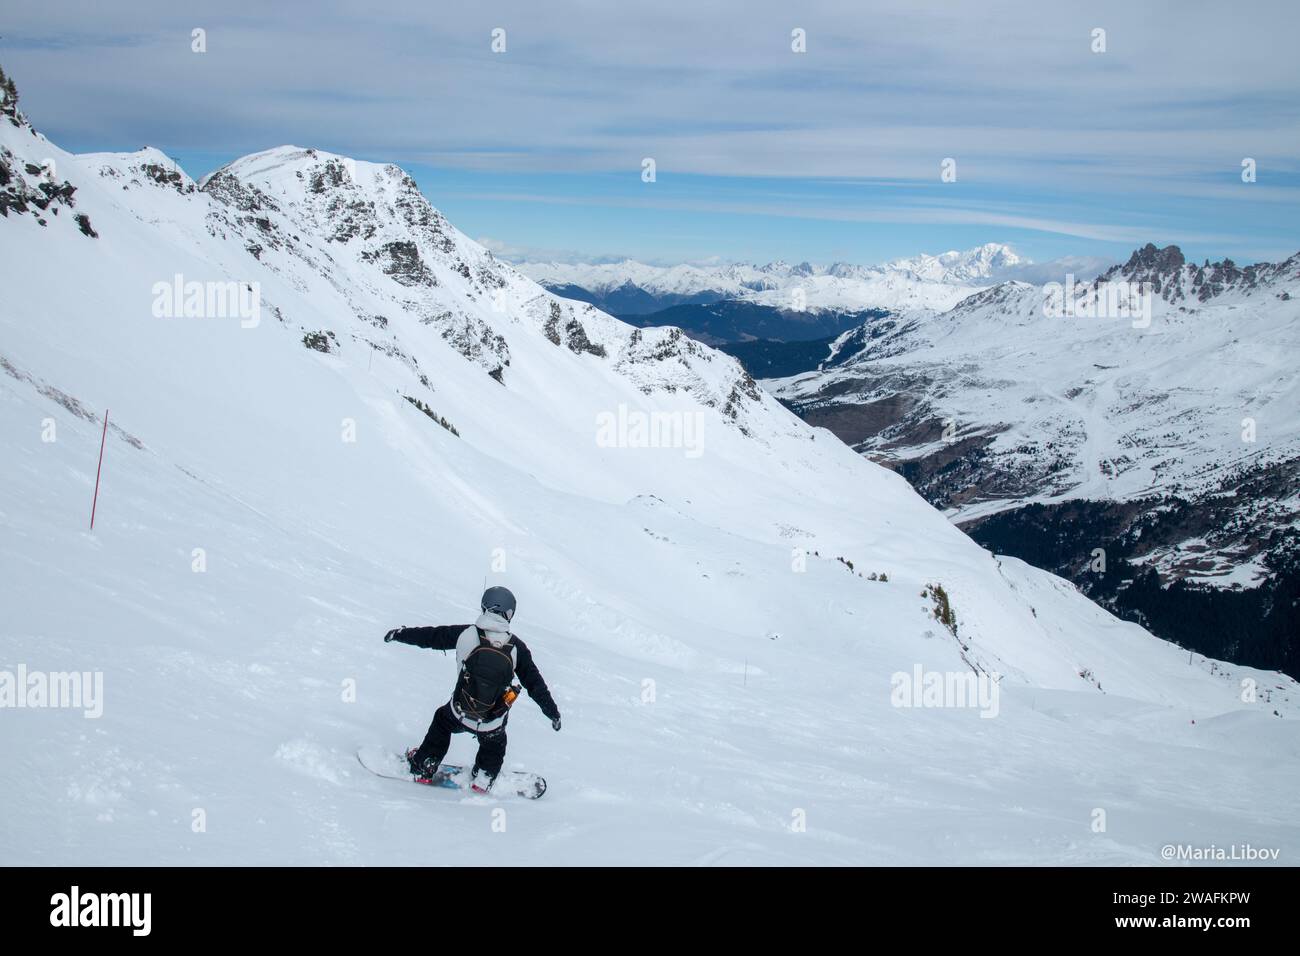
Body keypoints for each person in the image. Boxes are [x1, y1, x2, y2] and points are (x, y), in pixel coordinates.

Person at [384, 586, 560, 793]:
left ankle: (425, 765)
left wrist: (399, 634)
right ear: (510, 614)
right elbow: (535, 684)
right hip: (491, 721)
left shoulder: (465, 634)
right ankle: (484, 777)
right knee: (496, 740)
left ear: (484, 606)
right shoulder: (516, 648)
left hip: (459, 712)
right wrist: (553, 713)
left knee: (442, 721)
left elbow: (430, 637)